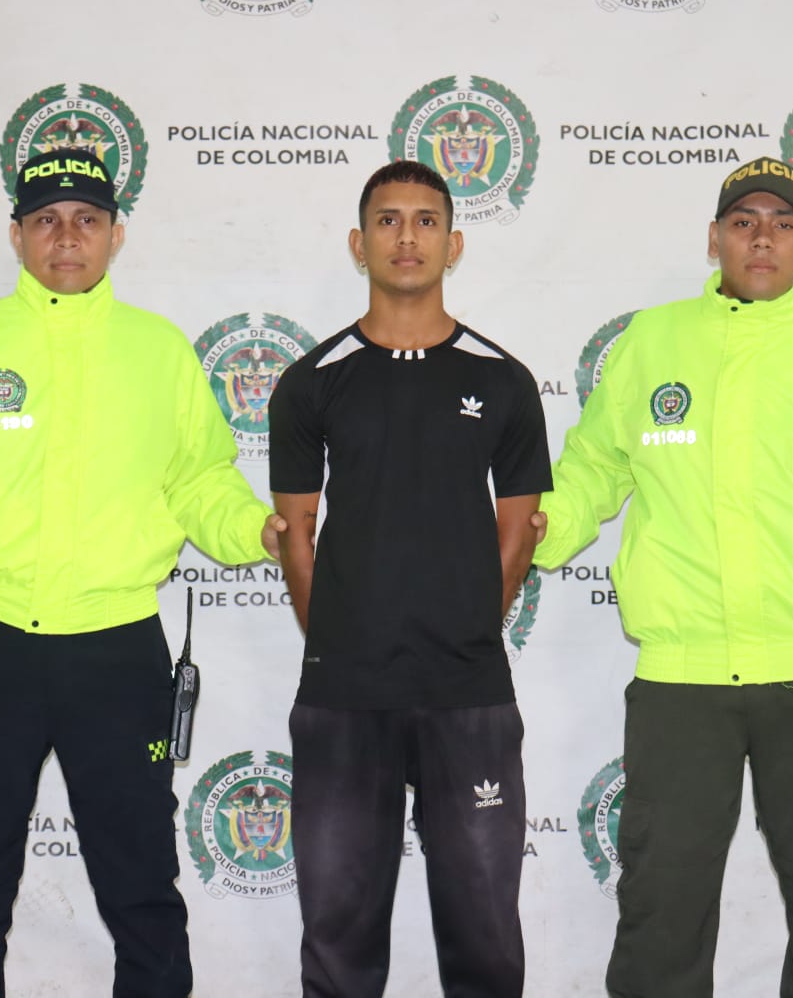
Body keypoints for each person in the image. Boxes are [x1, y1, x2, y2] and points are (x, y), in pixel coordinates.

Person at [0, 146, 282, 998]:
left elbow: (200, 481)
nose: (67, 237)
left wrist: (258, 530)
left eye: (86, 220)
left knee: (142, 890)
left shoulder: (158, 352)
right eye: (47, 220)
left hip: (117, 653)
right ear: (17, 236)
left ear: (117, 236)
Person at [534, 156, 793, 998]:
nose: (763, 238)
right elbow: (596, 468)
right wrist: (538, 531)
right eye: (744, 222)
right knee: (660, 909)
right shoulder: (653, 342)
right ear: (713, 239)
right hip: (683, 680)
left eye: (783, 224)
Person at [268, 160, 552, 998]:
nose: (407, 236)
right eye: (388, 220)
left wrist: (466, 628)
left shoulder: (501, 380)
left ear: (453, 242)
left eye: (426, 221)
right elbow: (296, 536)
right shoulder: (310, 382)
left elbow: (519, 535)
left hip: (469, 693)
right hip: (342, 697)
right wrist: (343, 644)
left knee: (487, 941)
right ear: (359, 243)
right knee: (338, 942)